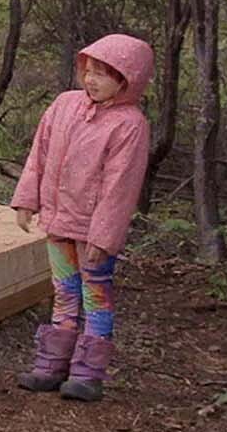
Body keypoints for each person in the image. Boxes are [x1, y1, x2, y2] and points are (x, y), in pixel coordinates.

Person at [10, 33, 154, 401]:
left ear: (127, 79)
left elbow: (120, 187)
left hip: (92, 232)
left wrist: (103, 237)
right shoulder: (64, 105)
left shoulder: (129, 124)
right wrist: (27, 200)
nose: (91, 80)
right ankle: (52, 365)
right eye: (88, 71)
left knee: (96, 295)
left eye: (102, 74)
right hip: (58, 222)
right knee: (63, 291)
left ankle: (88, 373)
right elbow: (39, 155)